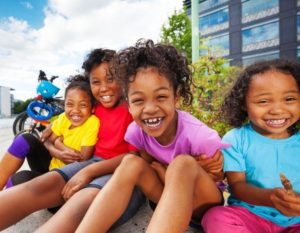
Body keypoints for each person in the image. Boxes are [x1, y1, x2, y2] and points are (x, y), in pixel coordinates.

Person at [75, 39, 226, 233]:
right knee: (130, 161)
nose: (150, 109)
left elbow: (219, 177)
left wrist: (191, 170)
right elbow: (148, 164)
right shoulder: (136, 132)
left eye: (161, 97)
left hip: (203, 209)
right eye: (138, 100)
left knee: (183, 164)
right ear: (129, 105)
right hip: (167, 198)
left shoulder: (200, 137)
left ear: (176, 98)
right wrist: (165, 173)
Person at [0, 48, 146, 232]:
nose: (104, 88)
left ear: (123, 78)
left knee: (79, 205)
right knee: (38, 186)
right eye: (96, 82)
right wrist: (54, 137)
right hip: (90, 164)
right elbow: (60, 125)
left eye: (111, 78)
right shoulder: (94, 107)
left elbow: (135, 158)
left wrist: (90, 171)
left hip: (119, 172)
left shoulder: (132, 109)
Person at [201, 59, 300, 232]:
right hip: (250, 216)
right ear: (243, 104)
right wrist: (270, 197)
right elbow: (238, 187)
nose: (277, 109)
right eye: (263, 101)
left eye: (289, 99)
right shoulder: (236, 139)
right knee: (216, 217)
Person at [0, 74, 99, 190]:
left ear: (92, 108)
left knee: (19, 178)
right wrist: (57, 152)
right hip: (51, 167)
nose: (75, 110)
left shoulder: (92, 122)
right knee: (24, 139)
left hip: (65, 180)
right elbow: (46, 142)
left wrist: (58, 144)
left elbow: (81, 158)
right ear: (64, 105)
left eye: (82, 105)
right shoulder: (64, 118)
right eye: (70, 104)